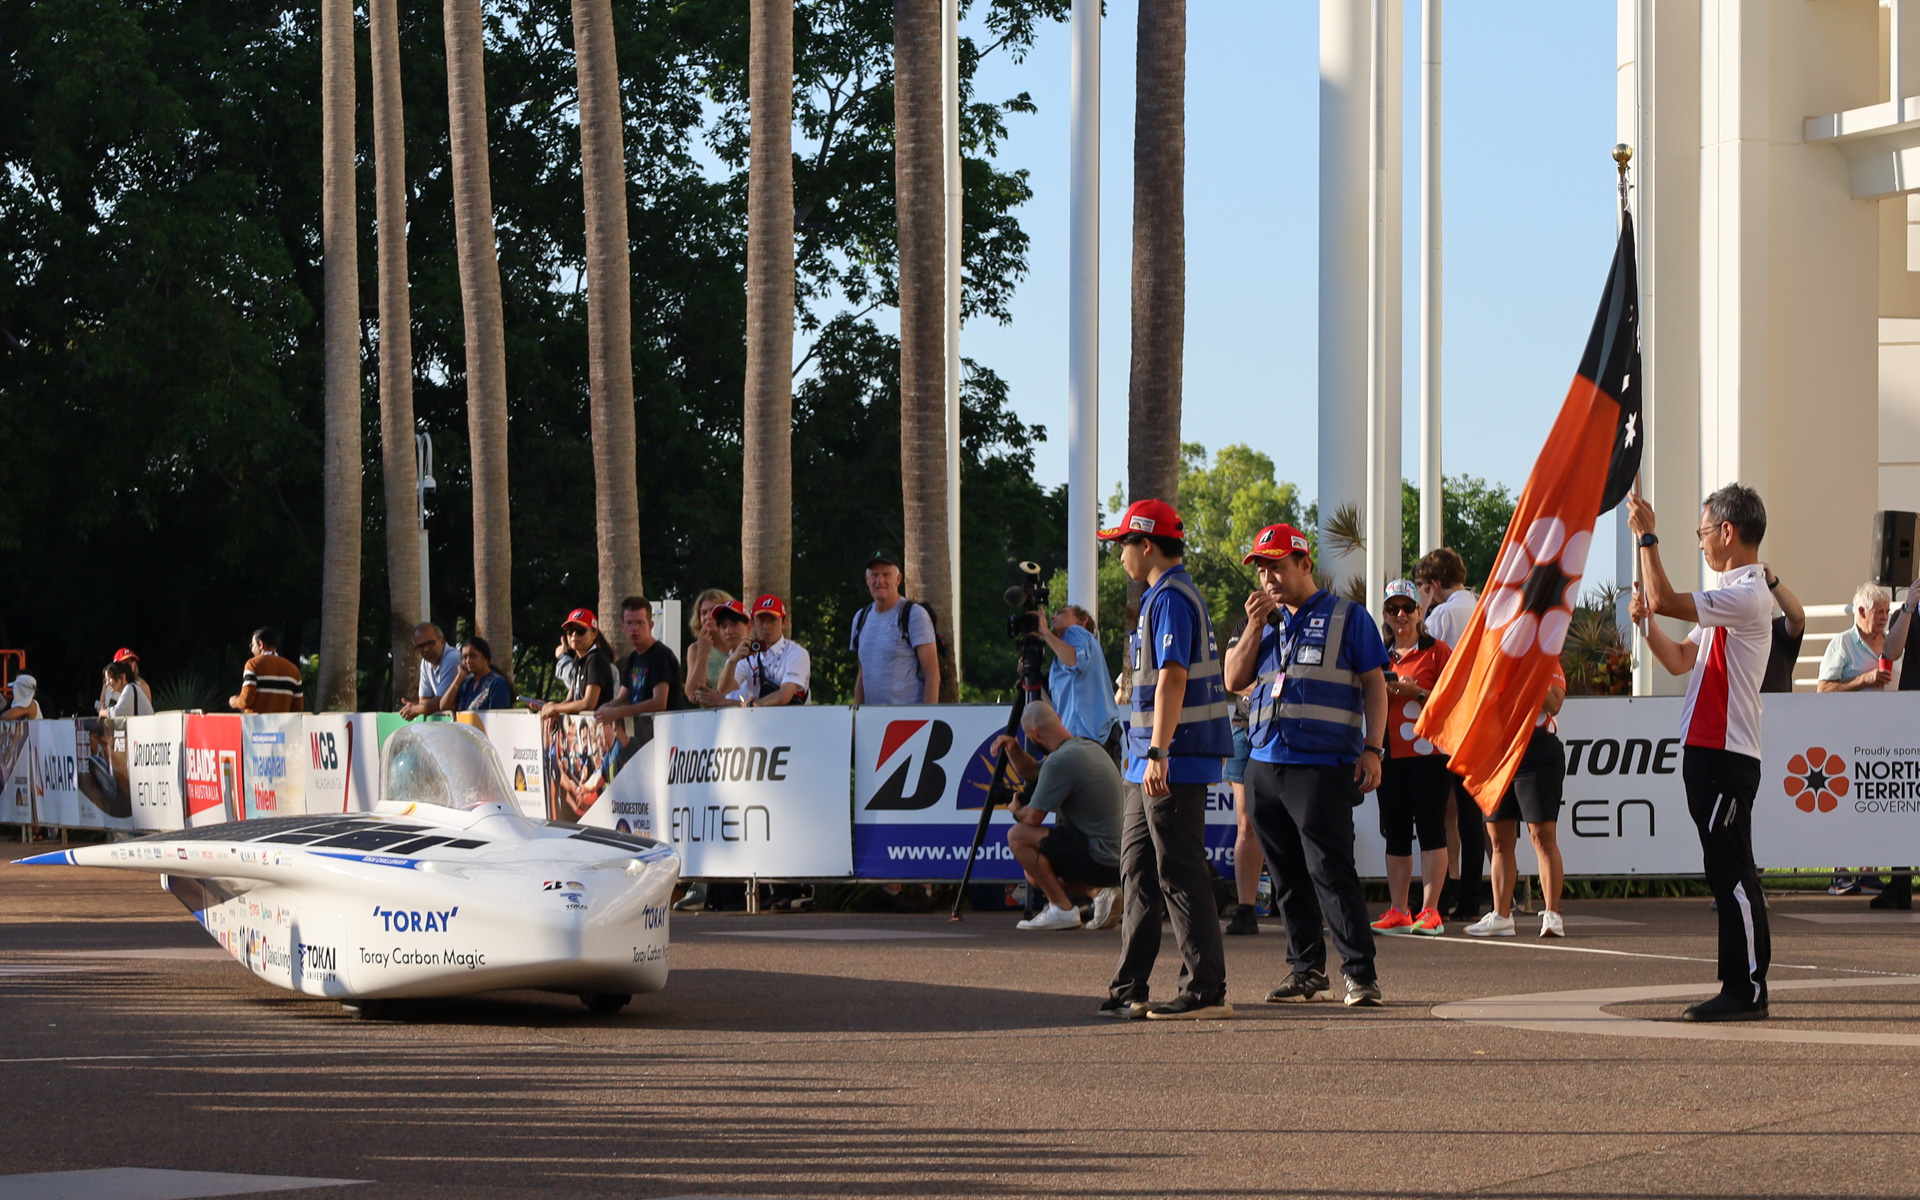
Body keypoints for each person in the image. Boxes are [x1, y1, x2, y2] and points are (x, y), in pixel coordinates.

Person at [1225, 522, 1389, 1008]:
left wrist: (1374, 747)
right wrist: (1254, 626)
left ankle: (1360, 974)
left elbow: (1375, 685)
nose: (1268, 578)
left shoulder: (1347, 616)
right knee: (1286, 878)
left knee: (1330, 871)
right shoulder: (1262, 623)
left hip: (1321, 766)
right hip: (1264, 762)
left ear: (1304, 564)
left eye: (1276, 565)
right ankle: (1306, 969)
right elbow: (1234, 680)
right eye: (1260, 569)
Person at [1629, 483, 1774, 1022]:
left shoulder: (1747, 594)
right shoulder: (1730, 598)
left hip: (1726, 753)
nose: (1701, 544)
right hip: (1708, 750)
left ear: (1728, 532)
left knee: (1733, 872)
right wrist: (1645, 625)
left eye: (1703, 533)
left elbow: (1666, 597)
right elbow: (1678, 658)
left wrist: (1648, 535)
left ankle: (1748, 988)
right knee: (1725, 870)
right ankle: (1740, 984)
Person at [1097, 498, 1234, 1022]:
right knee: (1138, 870)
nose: (1120, 556)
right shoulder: (1161, 597)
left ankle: (1204, 990)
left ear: (1146, 545)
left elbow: (1175, 676)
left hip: (1167, 759)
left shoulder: (1172, 596)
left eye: (1123, 545)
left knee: (1177, 869)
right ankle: (1130, 984)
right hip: (1145, 760)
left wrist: (1159, 751)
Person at [989, 701, 1124, 932]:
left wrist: (1015, 809)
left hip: (1098, 857)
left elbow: (1032, 819)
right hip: (1117, 860)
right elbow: (1033, 772)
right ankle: (1100, 892)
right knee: (1034, 874)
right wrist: (1013, 748)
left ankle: (1062, 909)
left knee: (1018, 836)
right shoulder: (1085, 748)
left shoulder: (1060, 761)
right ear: (1059, 720)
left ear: (1034, 734)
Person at [1463, 663, 1569, 939]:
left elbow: (1554, 703)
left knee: (1542, 836)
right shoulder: (1491, 657)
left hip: (1536, 752)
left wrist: (1526, 675)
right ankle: (1501, 916)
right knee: (1498, 839)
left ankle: (1552, 914)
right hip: (1496, 752)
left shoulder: (1545, 658)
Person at [1372, 580, 1453, 936]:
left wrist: (1416, 691)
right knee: (1396, 832)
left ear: (1420, 612)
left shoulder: (1438, 651)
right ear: (1386, 616)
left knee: (1432, 829)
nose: (1401, 615)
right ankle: (1399, 910)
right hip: (1389, 754)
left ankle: (1431, 910)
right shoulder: (1379, 655)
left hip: (1429, 754)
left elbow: (1454, 697)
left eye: (1407, 608)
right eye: (1393, 609)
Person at [1413, 545, 1490, 920]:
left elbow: (1417, 645)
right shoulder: (1482, 606)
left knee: (1442, 811)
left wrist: (1424, 608)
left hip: (1451, 720)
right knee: (1471, 811)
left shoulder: (1443, 613)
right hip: (1482, 717)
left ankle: (1443, 892)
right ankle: (1471, 893)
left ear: (1433, 584)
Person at [850, 550, 940, 705]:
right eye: (874, 575)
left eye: (886, 575)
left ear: (898, 579)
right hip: (872, 720)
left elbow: (931, 673)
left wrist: (928, 717)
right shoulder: (860, 618)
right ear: (867, 579)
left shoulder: (914, 615)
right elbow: (862, 672)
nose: (880, 581)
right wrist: (856, 717)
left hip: (908, 721)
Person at [1221, 616, 1264, 937]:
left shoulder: (1306, 619)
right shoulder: (1245, 624)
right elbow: (1231, 680)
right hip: (1244, 730)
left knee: (1296, 822)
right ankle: (1246, 908)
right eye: (1264, 572)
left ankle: (1312, 904)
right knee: (1246, 822)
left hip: (1290, 729)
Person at [1040, 604, 1123, 765]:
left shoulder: (1075, 631)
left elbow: (1076, 662)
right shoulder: (1061, 656)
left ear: (1082, 620)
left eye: (1061, 613)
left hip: (1088, 740)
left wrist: (1045, 633)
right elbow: (1054, 709)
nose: (1053, 617)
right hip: (1086, 741)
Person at [597, 596, 686, 744]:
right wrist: (605, 709)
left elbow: (659, 702)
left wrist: (618, 712)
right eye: (630, 623)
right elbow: (622, 698)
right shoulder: (633, 657)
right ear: (622, 627)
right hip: (641, 738)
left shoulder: (660, 655)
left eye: (640, 623)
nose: (634, 628)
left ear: (650, 625)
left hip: (666, 738)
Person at [1816, 582, 1906, 692]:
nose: (1885, 617)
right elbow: (1823, 689)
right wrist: (1863, 680)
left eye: (1887, 612)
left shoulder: (1893, 643)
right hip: (1856, 709)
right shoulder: (1843, 643)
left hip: (1892, 708)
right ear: (1862, 612)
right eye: (1879, 612)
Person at [722, 595, 810, 707]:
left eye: (772, 620)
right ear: (752, 623)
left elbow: (784, 696)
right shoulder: (747, 654)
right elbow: (724, 689)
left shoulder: (796, 652)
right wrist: (733, 660)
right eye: (761, 620)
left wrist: (752, 705)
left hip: (794, 721)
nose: (766, 626)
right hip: (759, 722)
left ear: (784, 623)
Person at [535, 610, 617, 724]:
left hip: (599, 732)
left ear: (594, 634)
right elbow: (572, 699)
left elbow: (588, 704)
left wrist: (555, 708)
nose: (574, 635)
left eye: (580, 630)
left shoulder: (596, 659)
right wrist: (547, 707)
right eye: (570, 631)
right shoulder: (579, 660)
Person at [689, 601, 752, 708]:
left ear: (749, 626)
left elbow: (763, 703)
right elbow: (693, 695)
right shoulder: (731, 660)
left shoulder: (761, 657)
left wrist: (720, 701)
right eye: (723, 626)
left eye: (734, 624)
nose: (729, 631)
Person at [1756, 565, 1808, 694]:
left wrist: (1773, 582)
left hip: (1779, 709)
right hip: (1742, 710)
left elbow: (1798, 617)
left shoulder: (1778, 630)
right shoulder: (1730, 633)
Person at [229, 627, 303, 714]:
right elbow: (298, 707)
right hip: (282, 726)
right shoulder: (293, 670)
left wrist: (235, 702)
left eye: (252, 645)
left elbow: (247, 699)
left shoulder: (253, 664)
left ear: (260, 644)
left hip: (256, 724)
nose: (252, 650)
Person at [1414, 547, 1477, 647]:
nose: (1419, 591)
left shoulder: (1443, 612)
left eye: (1421, 585)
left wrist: (1422, 607)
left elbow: (1418, 650)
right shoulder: (1479, 605)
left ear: (1434, 585)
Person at [400, 623, 463, 717]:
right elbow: (425, 701)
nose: (426, 649)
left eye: (430, 643)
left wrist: (415, 709)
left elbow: (440, 703)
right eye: (421, 646)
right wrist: (420, 708)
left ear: (442, 641)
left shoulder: (452, 658)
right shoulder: (425, 663)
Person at [683, 588, 737, 696]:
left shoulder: (742, 645)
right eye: (703, 613)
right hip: (711, 712)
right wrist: (702, 654)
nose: (708, 617)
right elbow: (693, 695)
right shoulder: (695, 649)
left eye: (713, 611)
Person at [438, 637, 512, 712]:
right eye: (465, 657)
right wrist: (459, 677)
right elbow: (444, 706)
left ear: (486, 658)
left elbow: (498, 717)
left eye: (473, 656)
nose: (468, 661)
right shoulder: (466, 684)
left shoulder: (497, 683)